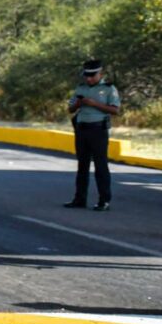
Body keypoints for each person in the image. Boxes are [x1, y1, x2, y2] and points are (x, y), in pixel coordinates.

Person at [64, 59, 120, 211]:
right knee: (82, 166)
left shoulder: (109, 89)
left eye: (92, 76)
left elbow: (115, 110)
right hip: (82, 129)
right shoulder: (80, 88)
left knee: (101, 166)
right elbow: (70, 109)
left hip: (98, 130)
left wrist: (95, 104)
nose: (88, 79)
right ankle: (79, 198)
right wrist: (79, 104)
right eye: (86, 76)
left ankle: (104, 201)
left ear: (100, 74)